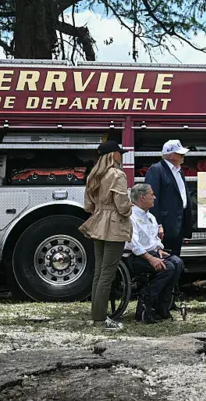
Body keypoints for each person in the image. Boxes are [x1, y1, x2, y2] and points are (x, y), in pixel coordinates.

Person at [79, 140, 132, 331]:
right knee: (108, 273)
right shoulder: (117, 174)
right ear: (113, 155)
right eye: (120, 153)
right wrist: (129, 208)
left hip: (98, 222)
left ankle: (97, 316)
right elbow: (122, 205)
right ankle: (101, 319)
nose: (121, 156)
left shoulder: (94, 175)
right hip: (114, 225)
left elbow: (88, 205)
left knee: (99, 272)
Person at [127, 183, 185, 323]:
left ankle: (162, 307)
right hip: (135, 257)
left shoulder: (151, 217)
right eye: (151, 194)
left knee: (177, 262)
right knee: (167, 268)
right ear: (142, 197)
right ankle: (145, 305)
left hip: (151, 252)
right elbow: (132, 243)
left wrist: (159, 250)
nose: (154, 197)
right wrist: (151, 259)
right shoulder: (131, 217)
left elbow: (153, 239)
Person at [144, 139, 193, 257]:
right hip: (165, 226)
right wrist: (158, 224)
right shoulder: (156, 170)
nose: (183, 156)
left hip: (178, 223)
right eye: (180, 154)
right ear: (171, 155)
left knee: (176, 256)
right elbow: (151, 200)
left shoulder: (178, 171)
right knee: (166, 258)